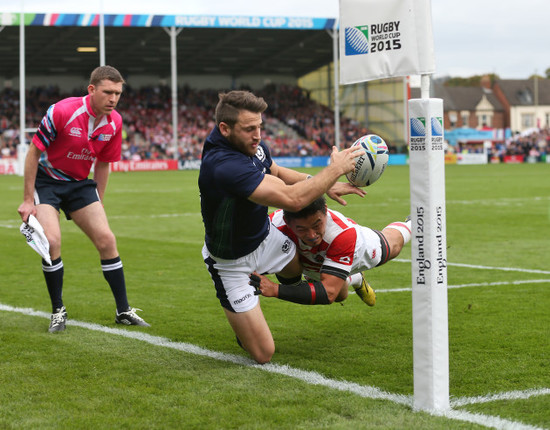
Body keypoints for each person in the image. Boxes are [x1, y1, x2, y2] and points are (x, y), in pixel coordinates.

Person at [199, 90, 365, 364]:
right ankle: (244, 319)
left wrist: (324, 182)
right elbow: (293, 198)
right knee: (263, 354)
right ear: (225, 129)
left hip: (266, 239)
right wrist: (333, 170)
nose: (258, 135)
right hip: (232, 262)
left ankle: (353, 279)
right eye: (249, 129)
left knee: (332, 289)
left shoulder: (249, 146)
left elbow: (277, 172)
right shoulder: (222, 165)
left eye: (260, 127)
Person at [17, 65, 149, 333]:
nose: (113, 98)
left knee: (107, 240)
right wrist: (28, 199)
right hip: (48, 182)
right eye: (108, 92)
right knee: (52, 241)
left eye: (118, 93)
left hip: (79, 185)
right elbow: (33, 153)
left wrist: (98, 200)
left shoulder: (115, 122)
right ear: (92, 89)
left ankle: (123, 310)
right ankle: (58, 311)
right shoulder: (63, 111)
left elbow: (103, 164)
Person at [249, 196, 411, 307]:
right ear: (287, 221)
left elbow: (328, 293)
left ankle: (415, 222)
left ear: (326, 210)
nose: (312, 235)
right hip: (308, 261)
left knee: (393, 245)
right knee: (340, 296)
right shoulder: (273, 226)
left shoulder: (343, 234)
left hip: (356, 252)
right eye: (302, 229)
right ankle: (352, 279)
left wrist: (276, 290)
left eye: (317, 224)